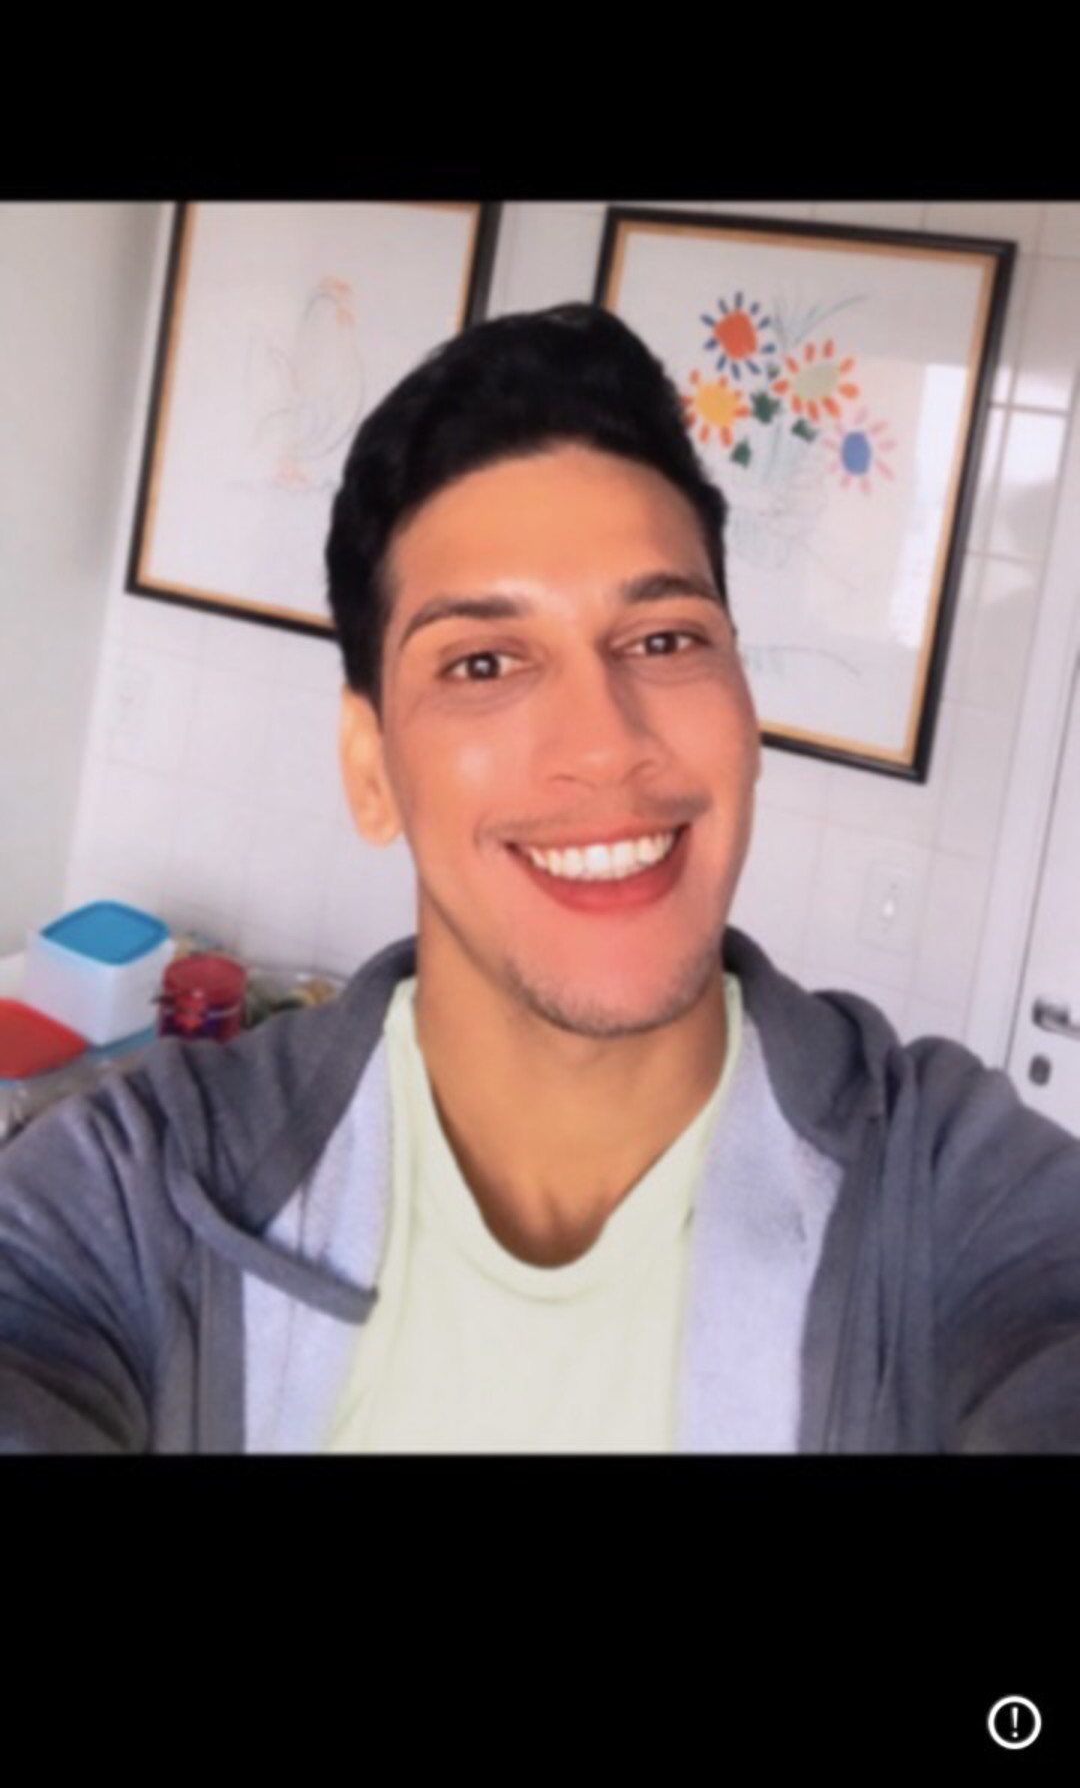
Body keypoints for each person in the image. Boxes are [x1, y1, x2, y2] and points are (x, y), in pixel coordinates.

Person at [1, 301, 1079, 1453]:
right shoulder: (139, 1190)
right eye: (483, 663)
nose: (605, 744)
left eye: (664, 640)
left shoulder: (946, 1188)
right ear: (371, 767)